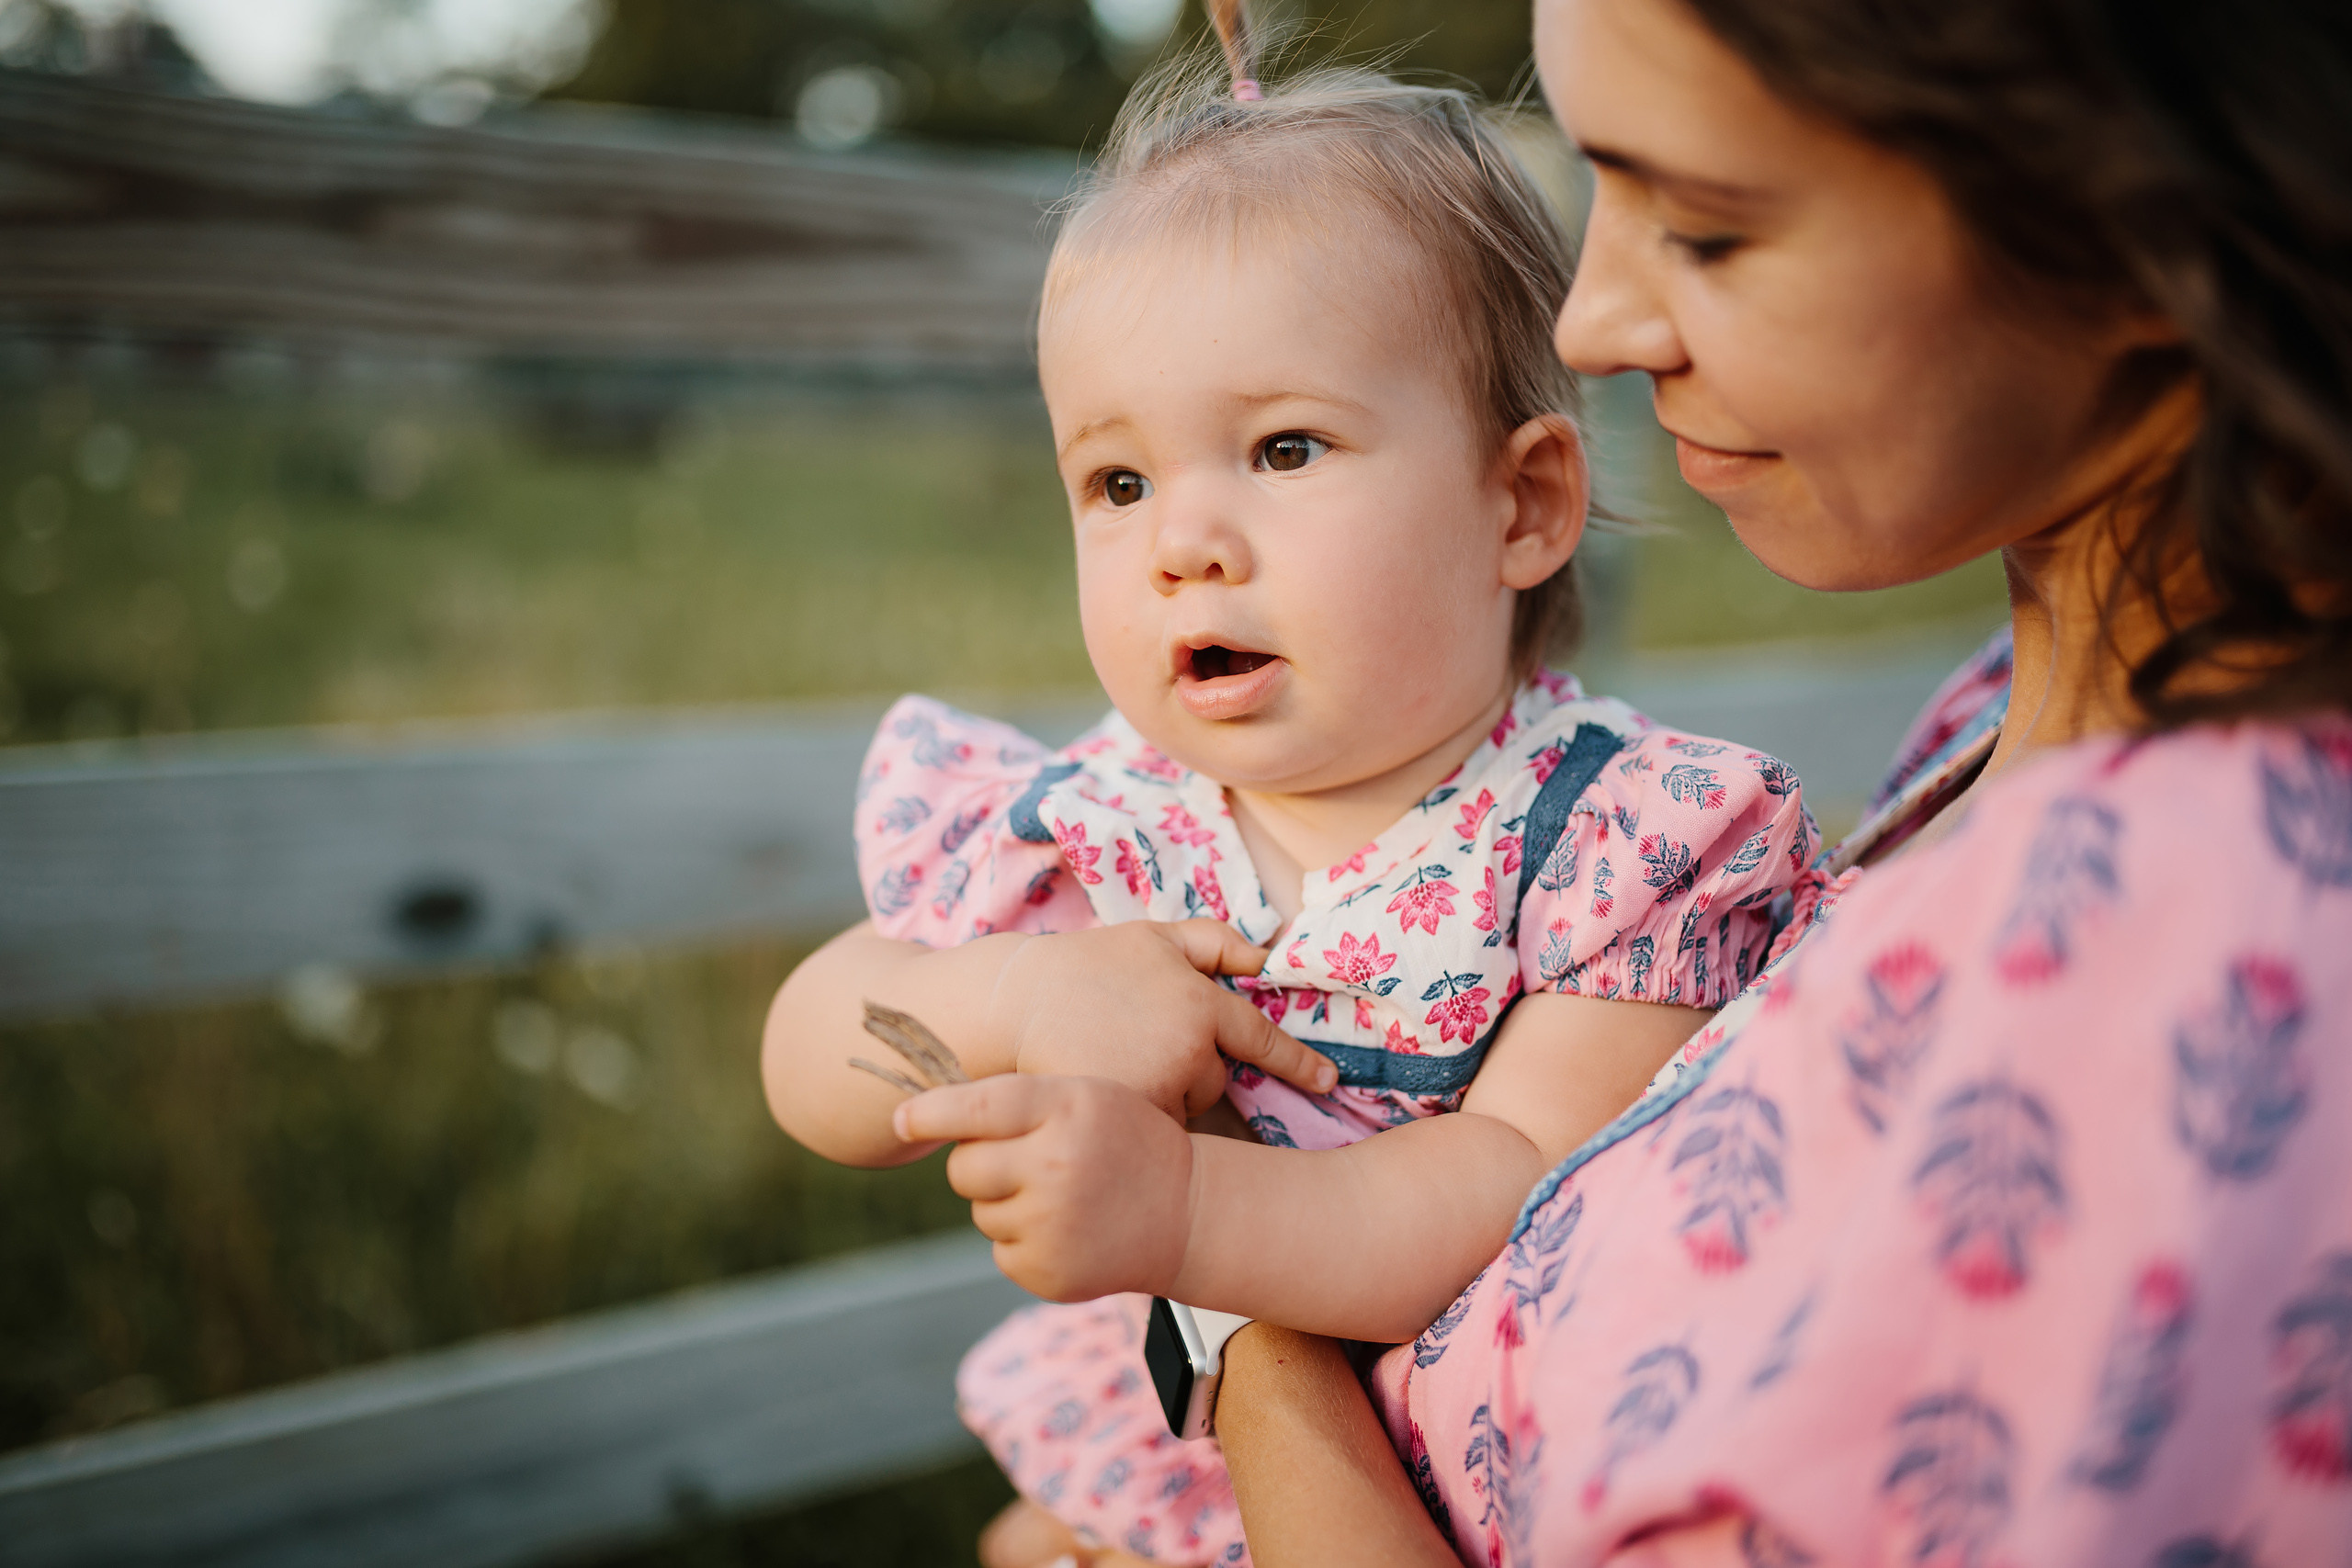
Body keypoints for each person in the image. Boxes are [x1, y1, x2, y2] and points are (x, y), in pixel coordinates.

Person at [896, 0, 2352, 1562]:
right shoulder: (2014, 721)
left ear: (2126, 223)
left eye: (1708, 229)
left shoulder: (2183, 947)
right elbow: (864, 1029)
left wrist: (1220, 1291)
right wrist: (1010, 1019)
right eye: (1115, 482)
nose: (1591, 324)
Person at [759, 5, 1830, 1561]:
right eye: (1118, 482)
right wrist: (1016, 1002)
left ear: (1522, 505)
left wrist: (1187, 1222)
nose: (1182, 540)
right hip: (1156, 1475)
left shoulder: (1618, 842)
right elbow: (814, 1051)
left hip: (1446, 1489)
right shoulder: (1099, 824)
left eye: (1281, 450)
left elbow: (1516, 1184)